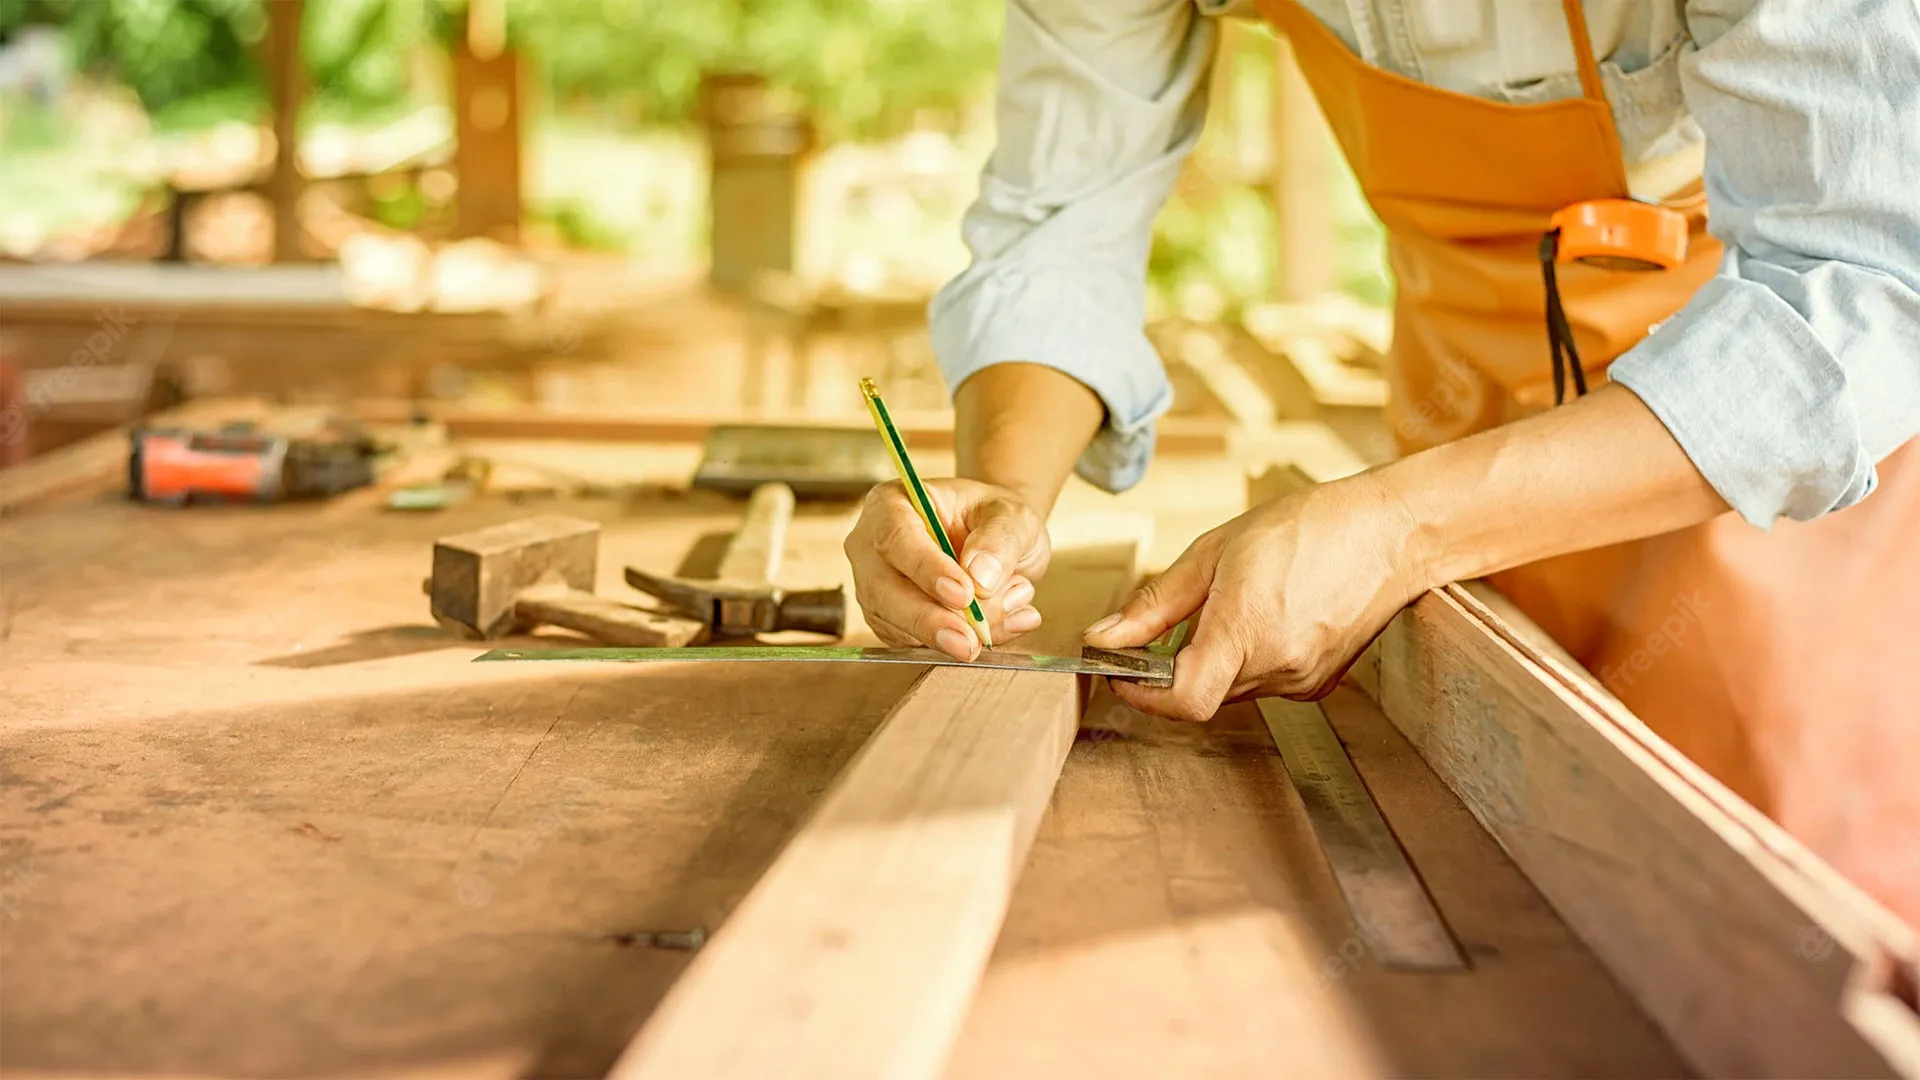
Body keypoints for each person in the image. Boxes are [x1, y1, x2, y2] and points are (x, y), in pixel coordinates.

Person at [842, 0, 1920, 924]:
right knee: (1499, 877)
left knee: (1762, 911)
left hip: (1792, 454)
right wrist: (1001, 493)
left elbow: (1863, 292)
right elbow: (1059, 227)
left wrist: (1399, 528)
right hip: (1462, 419)